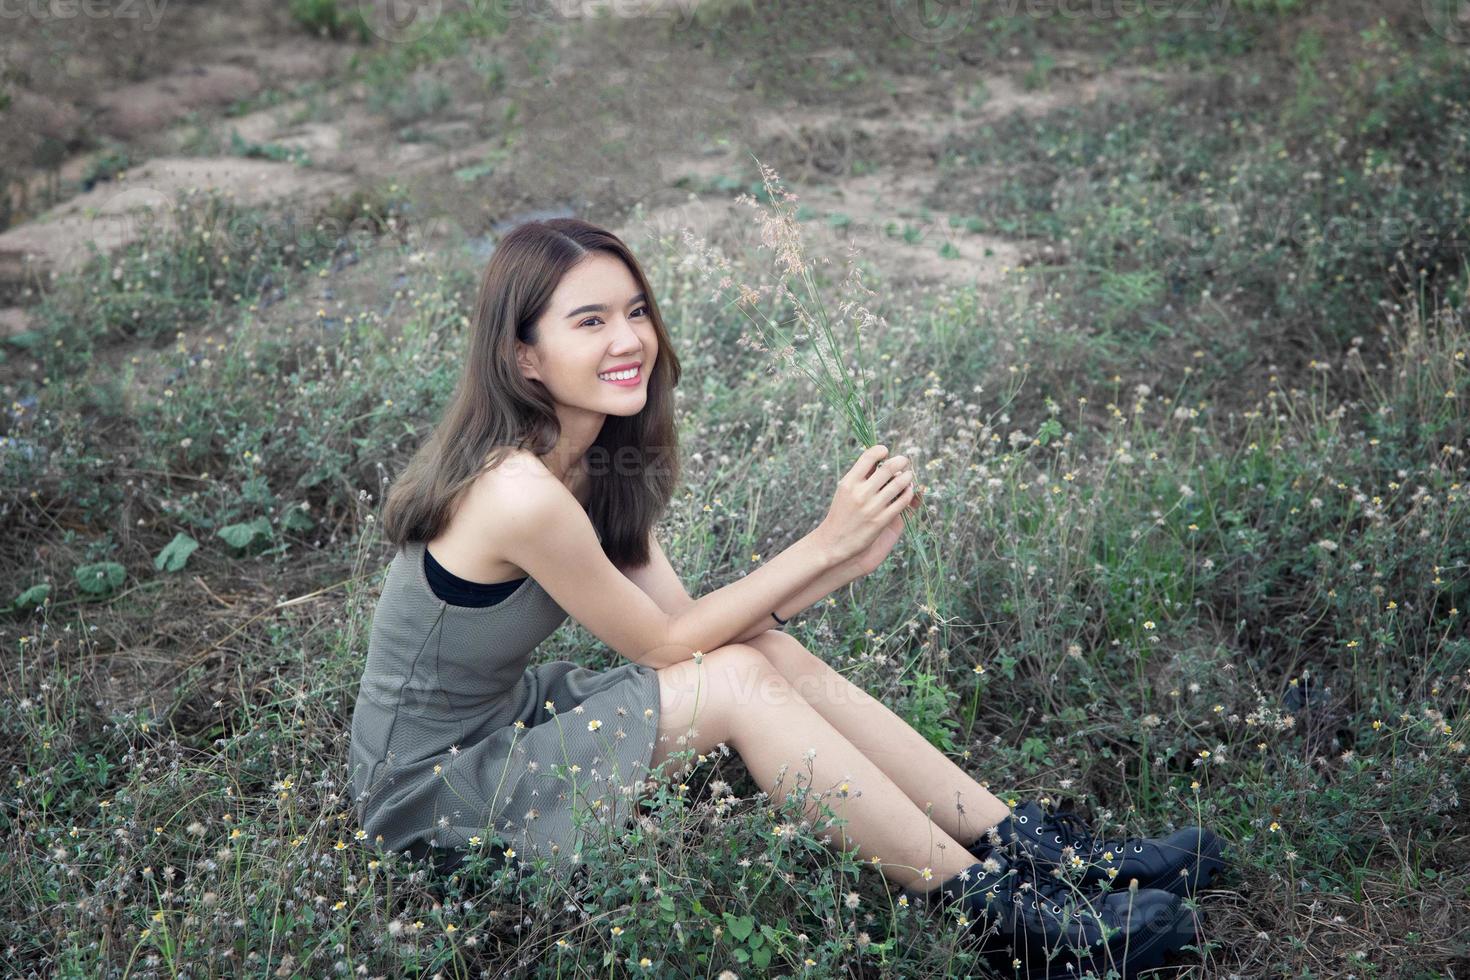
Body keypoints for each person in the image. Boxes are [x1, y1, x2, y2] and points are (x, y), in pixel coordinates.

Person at [346, 217, 1226, 978]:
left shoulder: (595, 461)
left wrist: (839, 564)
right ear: (523, 354)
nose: (630, 340)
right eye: (591, 321)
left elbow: (696, 633)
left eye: (637, 310)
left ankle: (1040, 857)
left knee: (752, 660)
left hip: (513, 723)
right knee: (731, 679)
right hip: (435, 793)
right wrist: (820, 542)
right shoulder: (519, 491)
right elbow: (665, 652)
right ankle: (1003, 923)